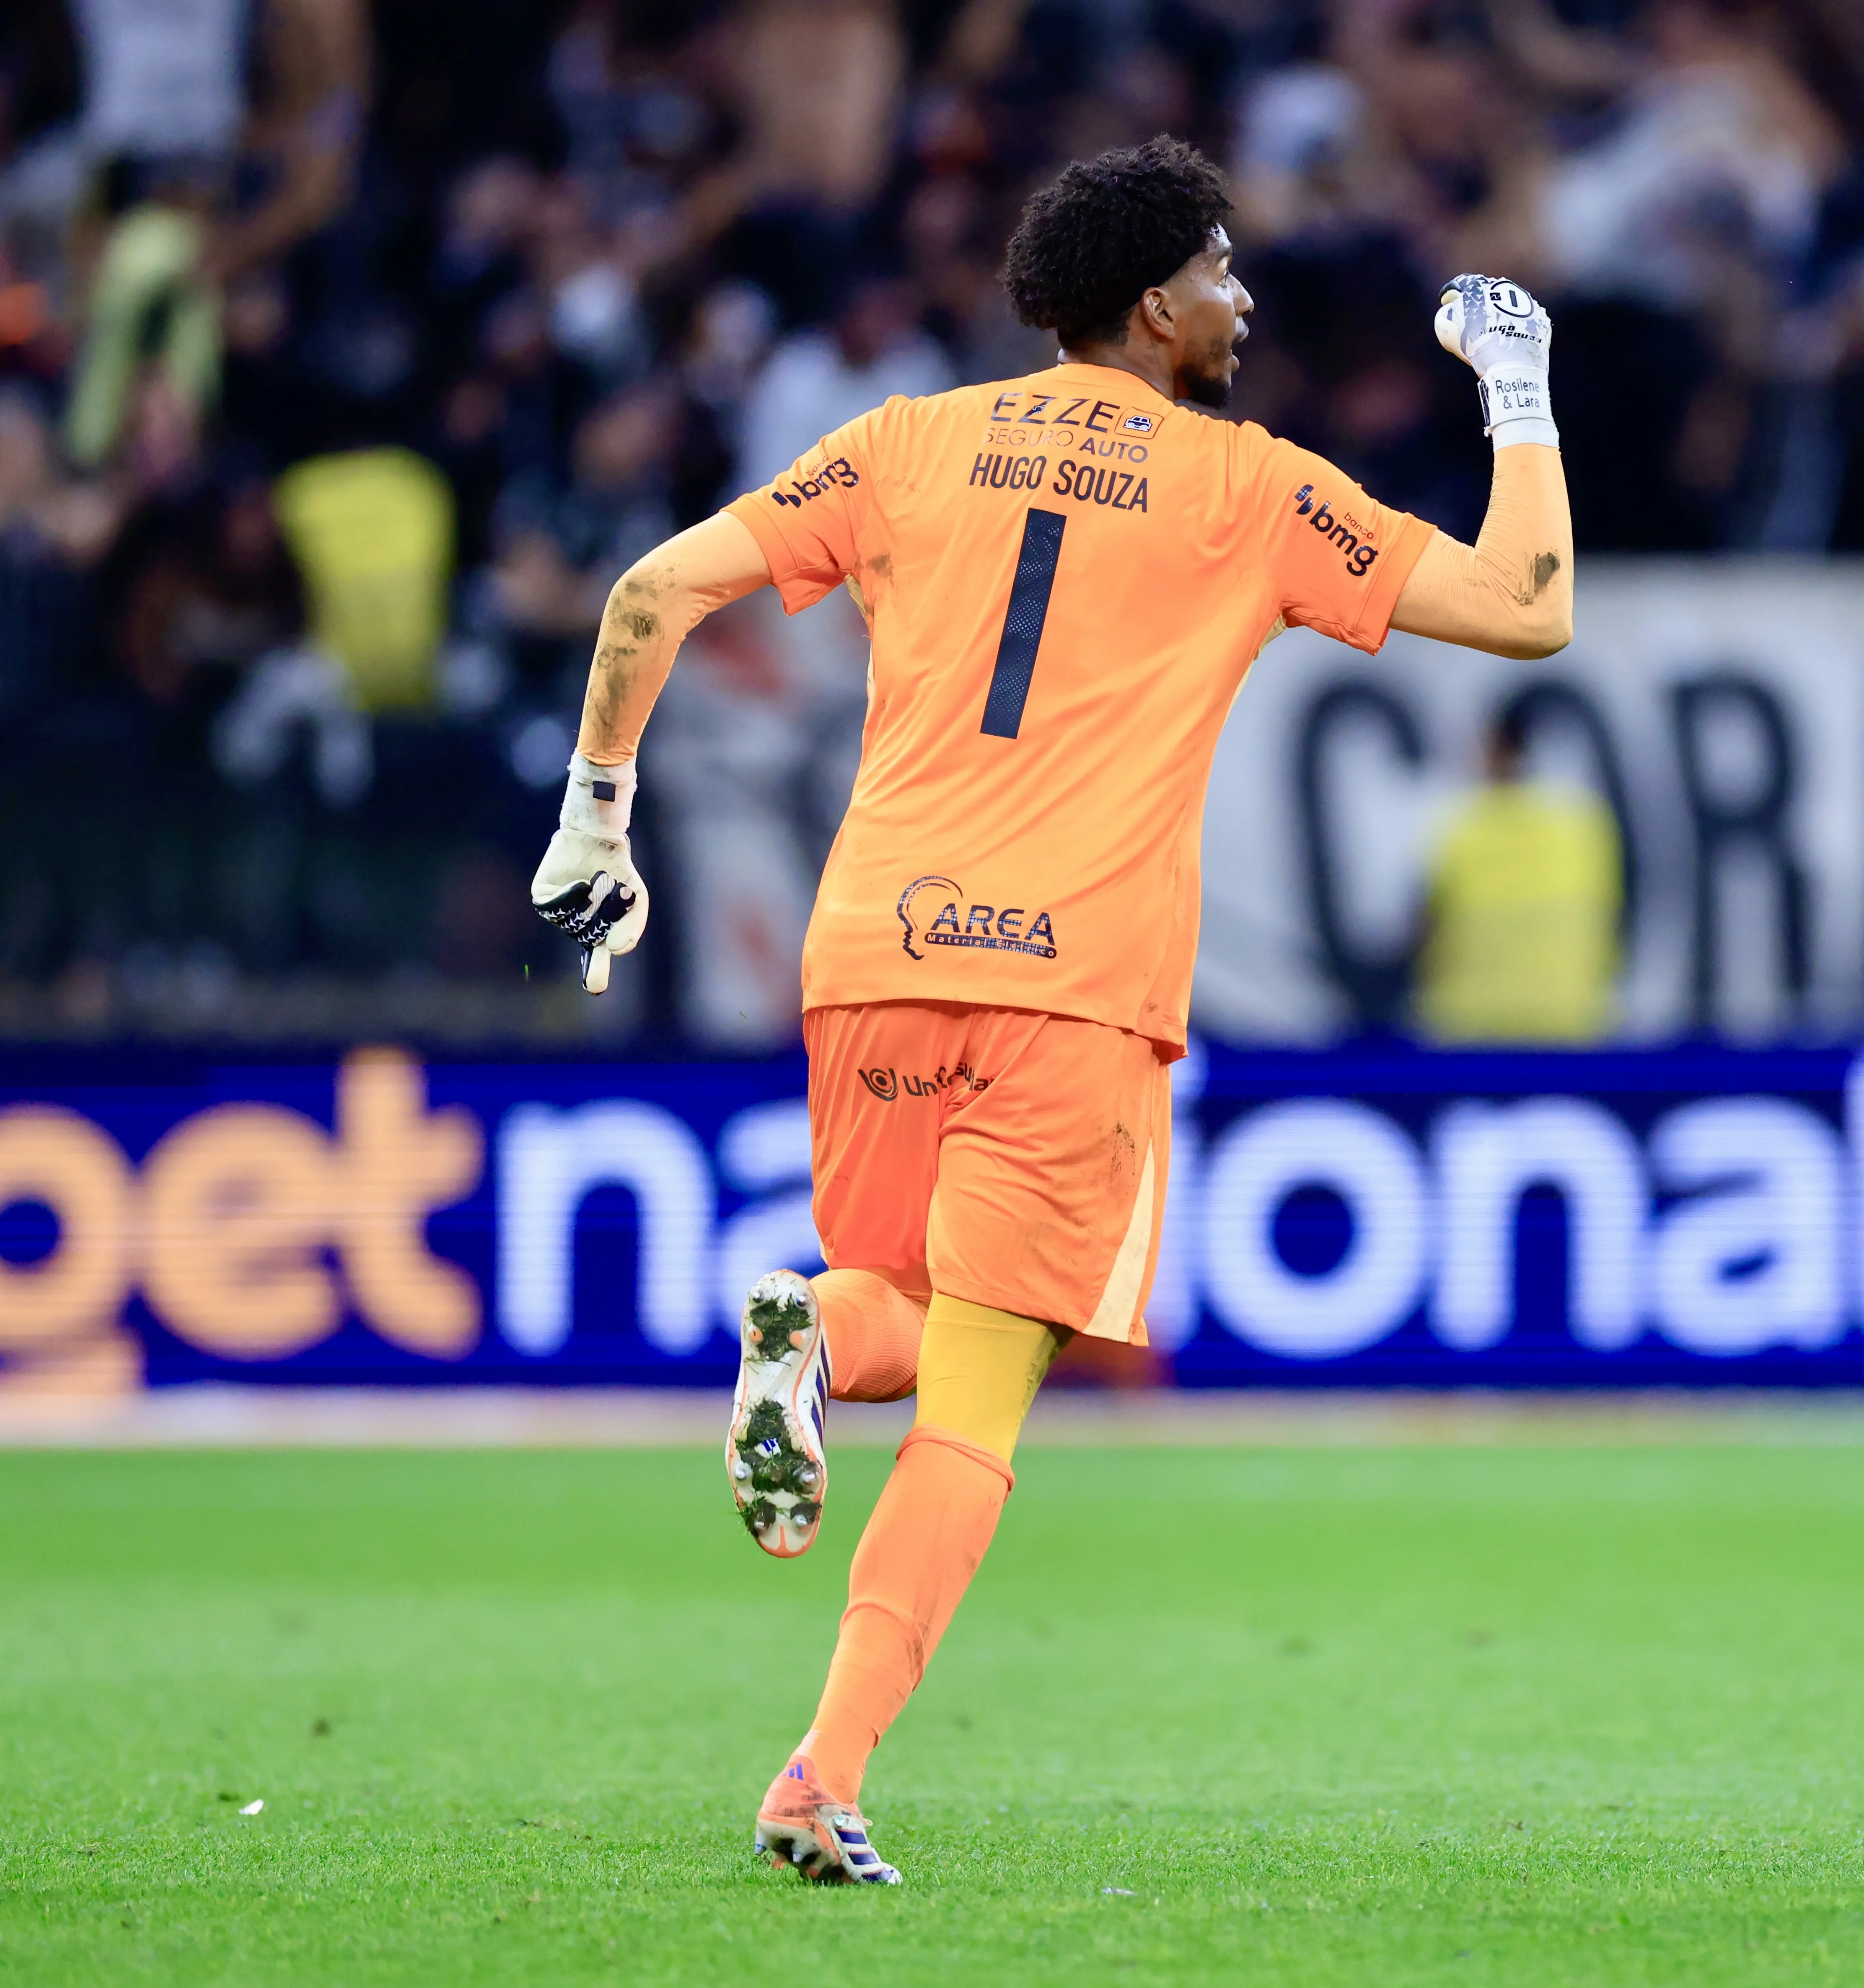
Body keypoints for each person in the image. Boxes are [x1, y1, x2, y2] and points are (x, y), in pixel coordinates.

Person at [523, 137, 1572, 1883]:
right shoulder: (1249, 486)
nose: (1243, 297)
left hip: (873, 953)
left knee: (905, 1302)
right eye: (1221, 269)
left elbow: (652, 592)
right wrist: (1517, 391)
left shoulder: (901, 442)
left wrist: (595, 816)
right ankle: (819, 1775)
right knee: (980, 1400)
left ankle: (808, 1335)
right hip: (1072, 984)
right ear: (1154, 305)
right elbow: (1528, 608)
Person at [1413, 701, 1622, 1044]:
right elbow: (1611, 919)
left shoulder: (1461, 829)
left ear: (1495, 750)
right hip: (1569, 1020)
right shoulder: (1582, 824)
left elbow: (1427, 931)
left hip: (1475, 1026)